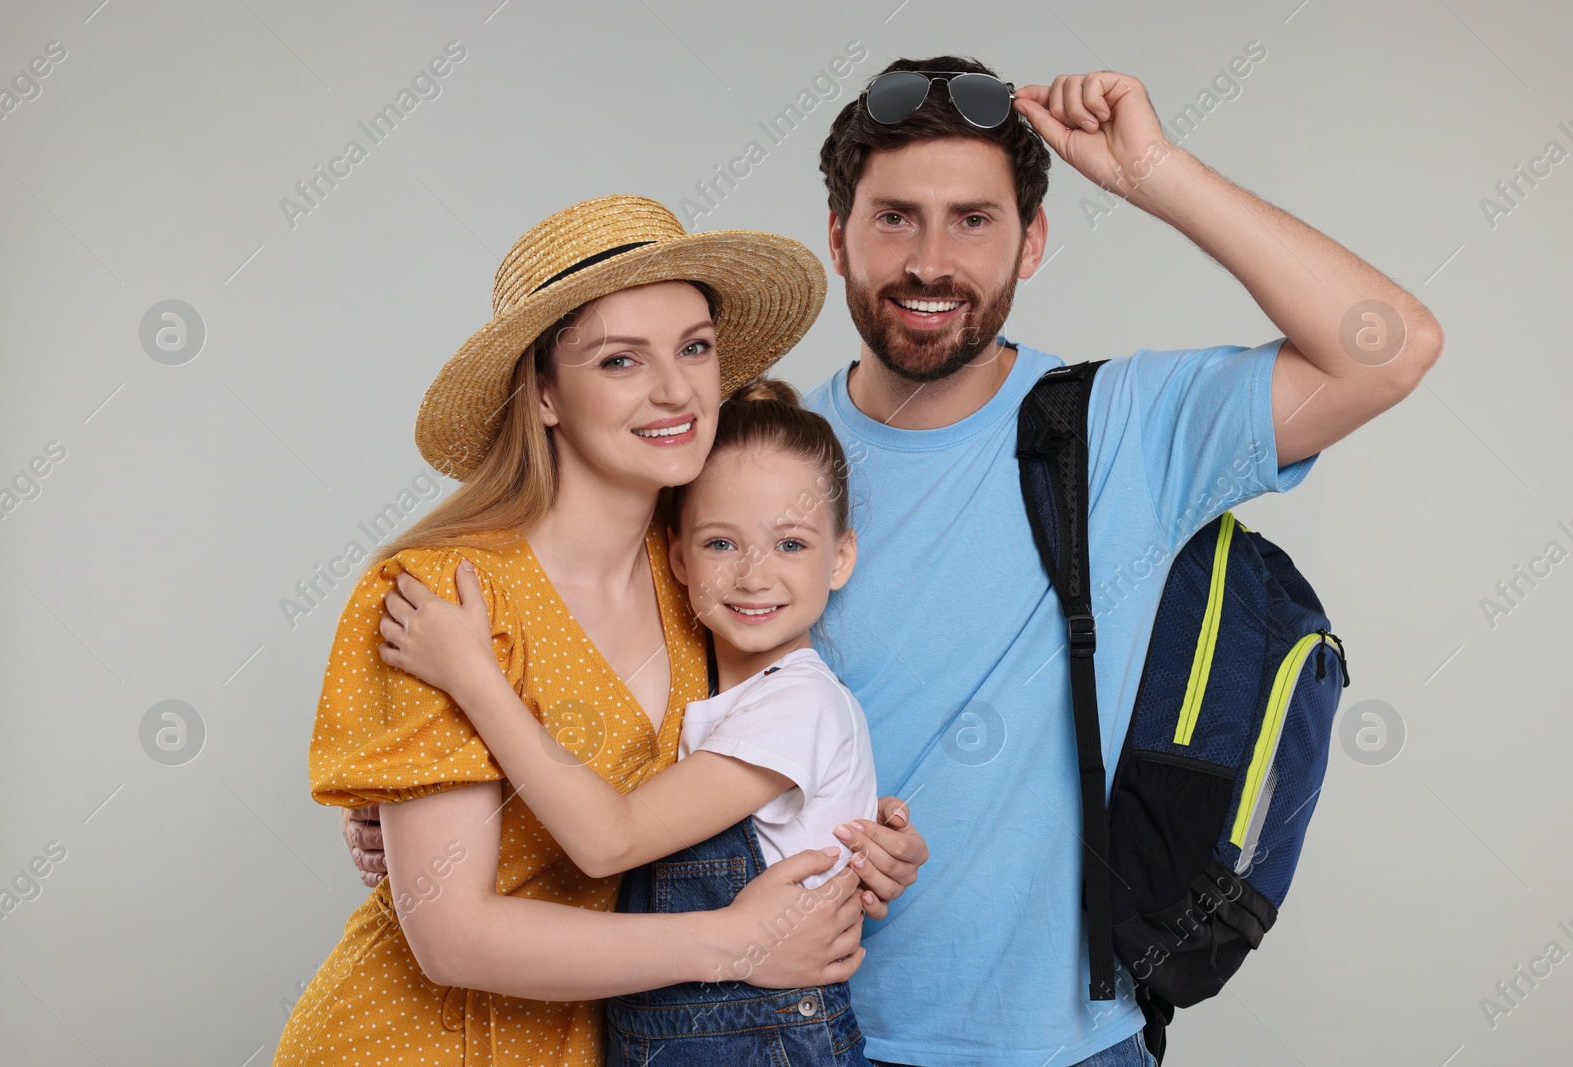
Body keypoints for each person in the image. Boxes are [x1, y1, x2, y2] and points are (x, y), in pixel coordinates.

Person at [347, 54, 1443, 1066]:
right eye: (893, 220)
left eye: (973, 220)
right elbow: (629, 694)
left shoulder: (1124, 428)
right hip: (782, 1026)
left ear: (1033, 240)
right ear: (837, 236)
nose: (929, 261)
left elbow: (1389, 346)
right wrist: (448, 825)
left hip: (1063, 1042)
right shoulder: (744, 461)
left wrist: (1154, 171)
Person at [276, 194, 927, 1067]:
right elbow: (453, 936)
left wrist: (853, 838)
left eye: (694, 347)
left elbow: (743, 780)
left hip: (598, 1045)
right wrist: (729, 943)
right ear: (543, 391)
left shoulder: (699, 578)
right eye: (621, 359)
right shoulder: (444, 592)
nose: (676, 389)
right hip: (415, 1043)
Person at [374, 374, 879, 1065]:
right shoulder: (704, 687)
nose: (756, 575)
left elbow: (608, 839)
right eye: (721, 544)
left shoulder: (801, 706)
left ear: (841, 557)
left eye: (791, 544)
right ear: (675, 555)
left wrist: (473, 677)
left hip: (766, 1043)